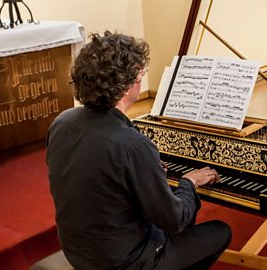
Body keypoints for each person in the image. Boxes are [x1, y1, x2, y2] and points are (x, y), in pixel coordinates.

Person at [46, 31, 232, 270]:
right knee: (220, 232)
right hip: (126, 262)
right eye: (141, 73)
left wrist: (144, 174)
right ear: (127, 85)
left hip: (80, 252)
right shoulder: (132, 145)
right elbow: (175, 220)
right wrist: (188, 183)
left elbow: (93, 177)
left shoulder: (62, 122)